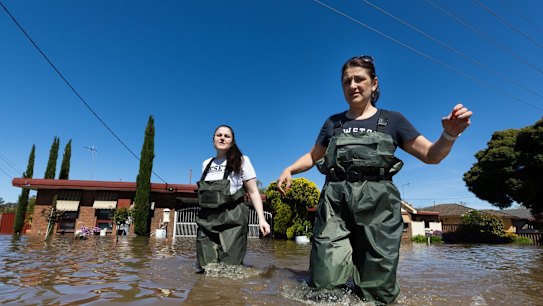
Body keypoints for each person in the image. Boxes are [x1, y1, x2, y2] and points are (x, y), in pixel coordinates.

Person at [276, 55, 472, 304]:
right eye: (347, 81)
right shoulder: (332, 123)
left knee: (377, 289)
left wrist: (449, 135)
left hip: (379, 204)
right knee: (323, 283)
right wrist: (290, 169)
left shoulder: (393, 120)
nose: (353, 85)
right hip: (335, 202)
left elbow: (431, 155)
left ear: (374, 83)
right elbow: (313, 156)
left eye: (359, 79)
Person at [196, 124, 271, 272]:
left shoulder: (242, 160)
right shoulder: (206, 163)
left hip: (233, 219)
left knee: (230, 269)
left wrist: (262, 219)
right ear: (213, 139)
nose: (222, 138)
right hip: (207, 220)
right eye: (219, 135)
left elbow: (253, 191)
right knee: (205, 268)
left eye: (226, 136)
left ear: (232, 141)